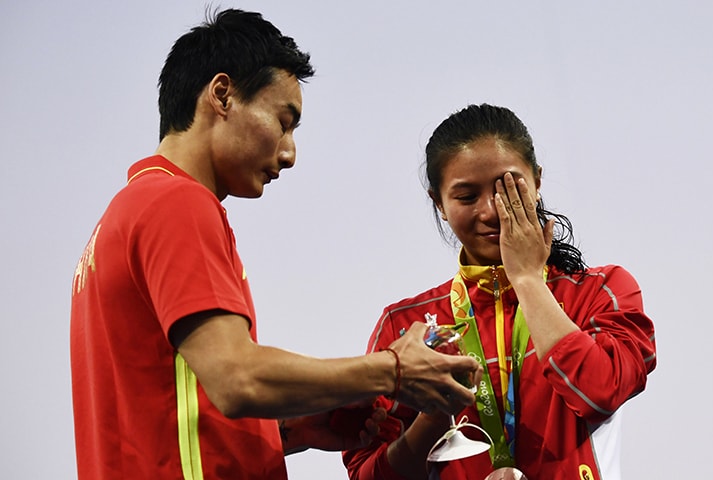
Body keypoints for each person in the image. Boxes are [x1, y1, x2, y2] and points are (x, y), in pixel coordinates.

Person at [69, 9, 480, 479]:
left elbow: (159, 418)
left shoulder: (120, 218)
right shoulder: (177, 203)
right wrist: (393, 370)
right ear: (222, 94)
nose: (289, 153)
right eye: (284, 122)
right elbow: (236, 378)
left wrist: (287, 430)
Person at [342, 104, 657, 480]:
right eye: (466, 197)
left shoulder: (600, 291)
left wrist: (527, 280)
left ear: (537, 182)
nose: (491, 211)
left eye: (506, 188)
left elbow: (598, 392)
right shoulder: (406, 326)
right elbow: (367, 473)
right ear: (439, 203)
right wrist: (435, 416)